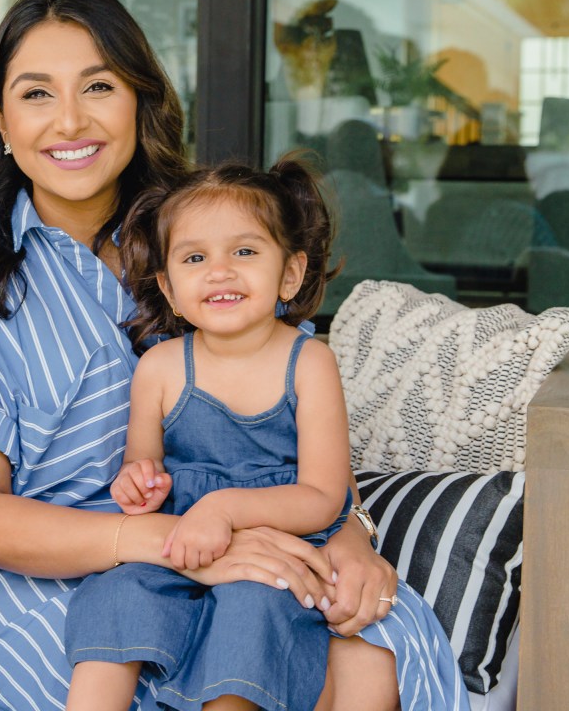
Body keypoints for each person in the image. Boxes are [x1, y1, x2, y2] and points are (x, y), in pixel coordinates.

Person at [0, 0, 469, 711]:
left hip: (244, 542)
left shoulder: (209, 242)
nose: (70, 119)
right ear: (0, 120)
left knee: (376, 644)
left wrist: (349, 538)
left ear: (140, 101)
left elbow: (287, 437)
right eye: (36, 94)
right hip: (36, 578)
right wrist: (187, 545)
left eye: (99, 85)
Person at [64, 156, 462, 711]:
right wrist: (139, 483)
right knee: (116, 594)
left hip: (282, 541)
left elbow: (324, 498)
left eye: (245, 251)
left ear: (290, 274)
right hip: (184, 544)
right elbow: (141, 466)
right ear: (169, 287)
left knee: (252, 610)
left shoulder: (309, 363)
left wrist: (225, 508)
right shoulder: (159, 369)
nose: (220, 270)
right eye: (195, 257)